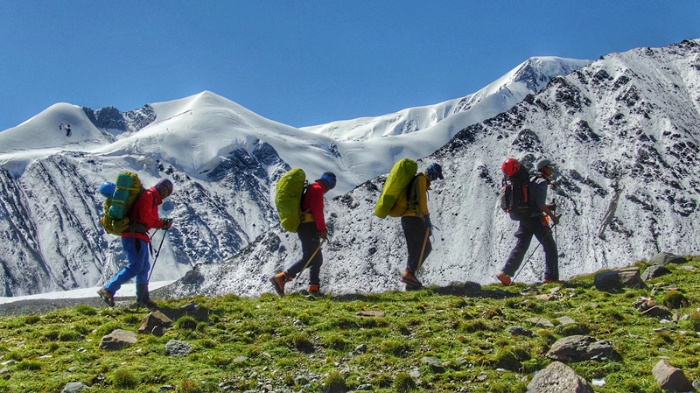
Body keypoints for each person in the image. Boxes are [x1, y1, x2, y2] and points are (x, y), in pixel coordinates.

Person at [97, 178, 174, 309]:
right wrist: (162, 223)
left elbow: (147, 219)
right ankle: (108, 289)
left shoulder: (153, 199)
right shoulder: (149, 196)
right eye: (165, 189)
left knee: (143, 268)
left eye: (168, 192)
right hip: (134, 235)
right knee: (136, 266)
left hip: (139, 236)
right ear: (160, 186)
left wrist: (161, 222)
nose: (166, 193)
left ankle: (143, 299)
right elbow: (145, 218)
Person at [269, 172, 336, 296]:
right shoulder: (317, 190)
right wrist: (322, 230)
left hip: (305, 227)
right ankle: (282, 277)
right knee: (309, 258)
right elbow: (318, 212)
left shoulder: (312, 188)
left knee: (316, 259)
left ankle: (314, 287)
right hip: (309, 227)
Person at [497, 158, 559, 285]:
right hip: (536, 218)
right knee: (550, 247)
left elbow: (530, 201)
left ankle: (505, 274)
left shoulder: (529, 179)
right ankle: (551, 277)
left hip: (524, 217)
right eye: (550, 167)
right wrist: (552, 216)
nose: (552, 170)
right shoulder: (541, 182)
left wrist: (548, 207)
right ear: (544, 169)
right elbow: (540, 205)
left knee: (521, 246)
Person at [399, 163, 444, 290]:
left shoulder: (418, 179)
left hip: (407, 218)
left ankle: (409, 280)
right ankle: (410, 273)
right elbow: (421, 200)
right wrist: (426, 218)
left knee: (414, 248)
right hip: (414, 217)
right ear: (433, 172)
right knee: (426, 247)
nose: (435, 179)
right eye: (436, 175)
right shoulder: (421, 179)